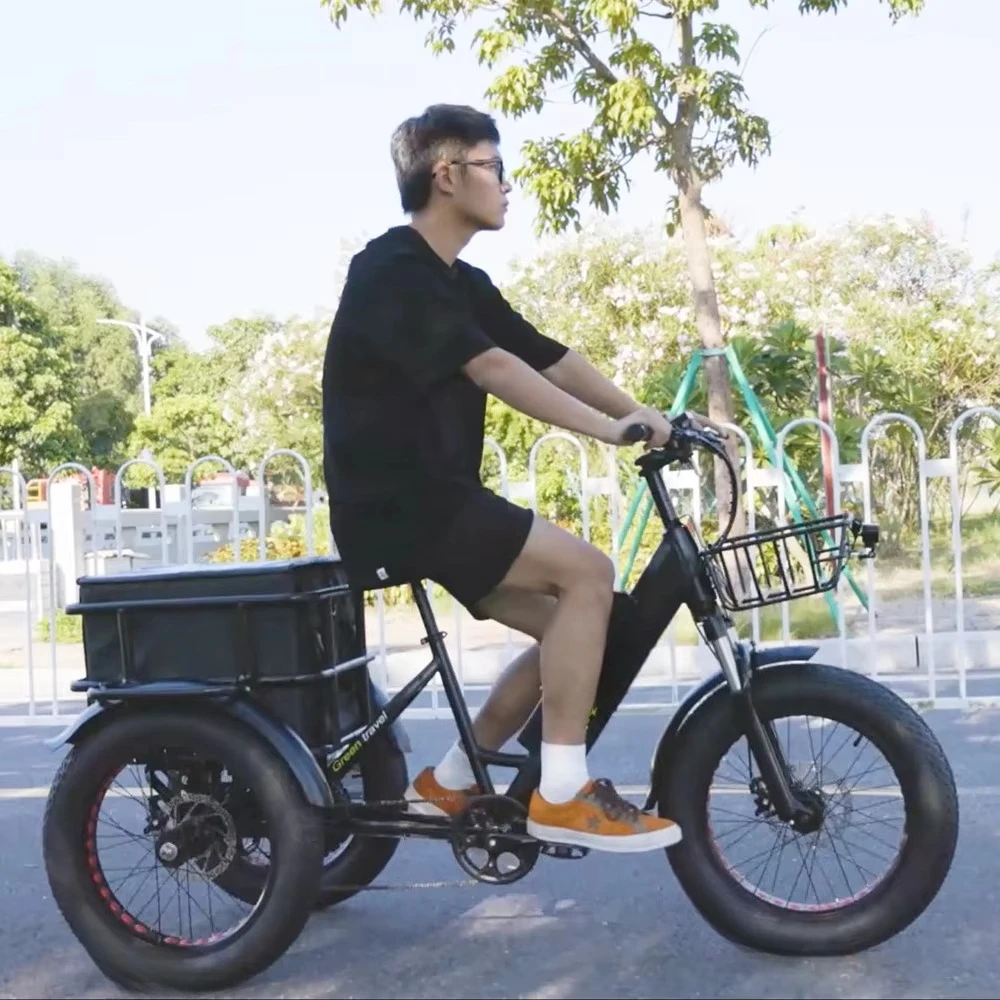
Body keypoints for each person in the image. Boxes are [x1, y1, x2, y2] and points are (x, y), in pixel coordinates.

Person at [323, 103, 716, 854]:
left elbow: (546, 356)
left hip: (436, 502)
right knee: (589, 574)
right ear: (447, 175)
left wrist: (643, 414)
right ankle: (561, 793)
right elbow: (494, 367)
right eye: (495, 167)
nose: (507, 185)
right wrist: (607, 431)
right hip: (403, 505)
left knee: (581, 623)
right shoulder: (392, 270)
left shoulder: (459, 281)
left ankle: (448, 782)